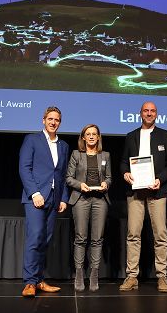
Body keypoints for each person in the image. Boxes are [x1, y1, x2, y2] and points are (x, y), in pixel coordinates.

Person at [119, 101, 167, 292]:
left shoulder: (165, 136)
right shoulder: (130, 136)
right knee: (133, 234)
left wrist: (160, 179)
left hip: (157, 192)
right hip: (135, 192)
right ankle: (132, 276)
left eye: (152, 111)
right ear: (140, 113)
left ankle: (162, 277)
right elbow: (124, 162)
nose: (149, 113)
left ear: (156, 114)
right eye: (146, 111)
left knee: (160, 235)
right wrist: (125, 173)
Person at [19, 106, 69, 297]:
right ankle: (29, 282)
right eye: (50, 119)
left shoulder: (63, 146)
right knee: (35, 237)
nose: (53, 122)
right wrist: (34, 193)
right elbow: (25, 168)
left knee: (45, 241)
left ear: (59, 122)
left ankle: (39, 280)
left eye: (56, 119)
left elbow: (62, 175)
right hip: (36, 198)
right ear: (43, 120)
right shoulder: (32, 140)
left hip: (54, 200)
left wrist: (63, 198)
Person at [66, 124, 112, 292]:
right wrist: (80, 185)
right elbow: (69, 178)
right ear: (83, 137)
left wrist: (106, 183)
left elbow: (109, 177)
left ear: (98, 137)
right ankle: (79, 275)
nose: (92, 136)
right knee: (80, 238)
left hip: (100, 200)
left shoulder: (105, 155)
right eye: (88, 134)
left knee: (97, 239)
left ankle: (94, 274)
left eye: (94, 134)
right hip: (81, 199)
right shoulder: (76, 154)